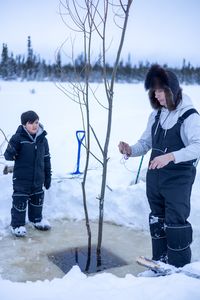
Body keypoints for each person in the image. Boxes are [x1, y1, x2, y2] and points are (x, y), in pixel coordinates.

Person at [118, 64, 200, 268]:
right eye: (154, 91)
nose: (156, 96)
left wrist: (171, 156)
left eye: (160, 91)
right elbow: (146, 143)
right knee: (157, 220)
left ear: (172, 90)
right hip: (155, 182)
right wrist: (130, 149)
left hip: (178, 181)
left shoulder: (190, 117)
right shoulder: (155, 115)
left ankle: (178, 269)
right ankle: (160, 262)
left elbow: (198, 145)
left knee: (175, 224)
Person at [4, 110, 52, 237]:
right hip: (21, 180)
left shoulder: (43, 139)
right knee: (20, 202)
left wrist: (48, 177)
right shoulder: (18, 138)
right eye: (31, 123)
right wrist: (12, 149)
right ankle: (17, 225)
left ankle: (36, 220)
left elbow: (46, 159)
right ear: (24, 125)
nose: (34, 125)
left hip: (38, 179)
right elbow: (8, 156)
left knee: (37, 200)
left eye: (36, 122)